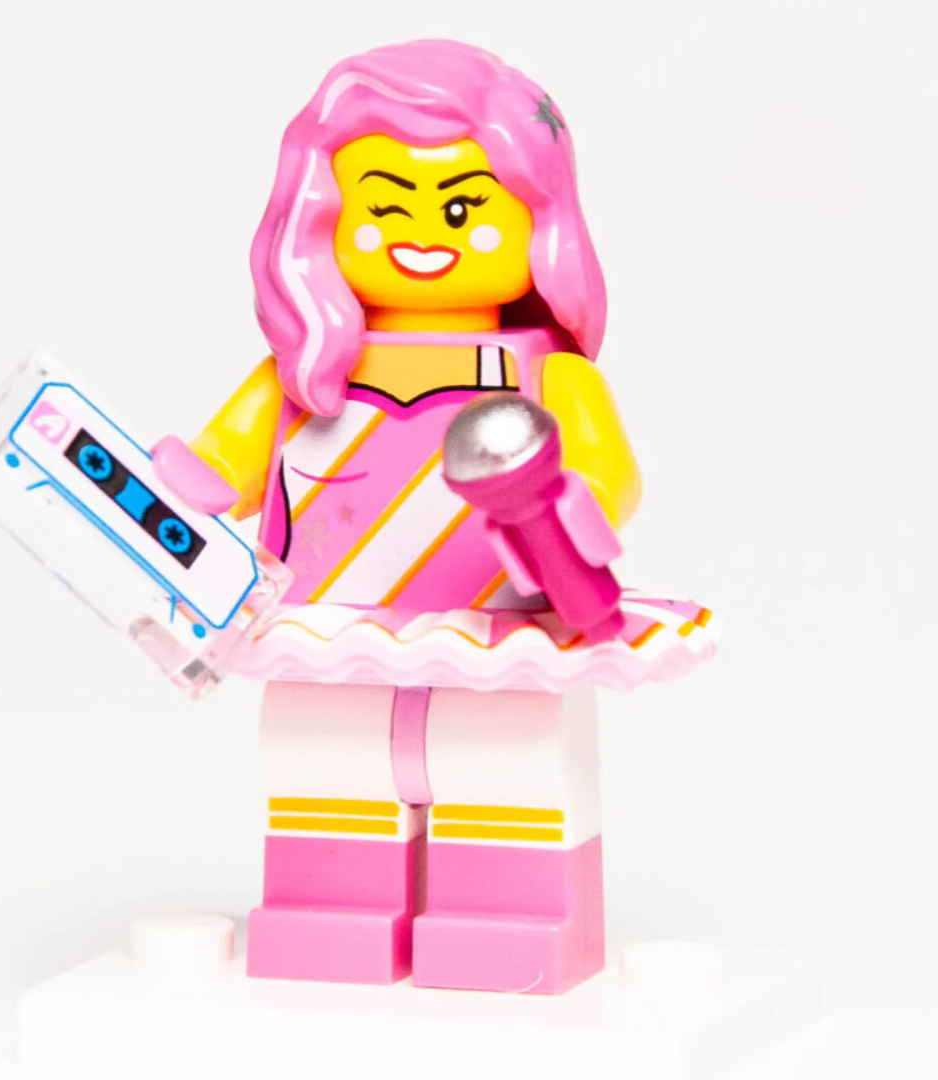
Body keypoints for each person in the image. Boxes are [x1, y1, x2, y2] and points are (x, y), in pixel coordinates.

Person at [154, 39, 714, 994]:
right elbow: (222, 464)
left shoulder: (549, 376)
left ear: (537, 222)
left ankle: (510, 923)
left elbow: (608, 477)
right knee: (326, 767)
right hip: (325, 626)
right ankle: (329, 918)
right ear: (324, 221)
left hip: (503, 634)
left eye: (462, 207)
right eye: (383, 206)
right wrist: (176, 487)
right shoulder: (307, 377)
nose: (424, 232)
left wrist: (563, 516)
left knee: (504, 771)